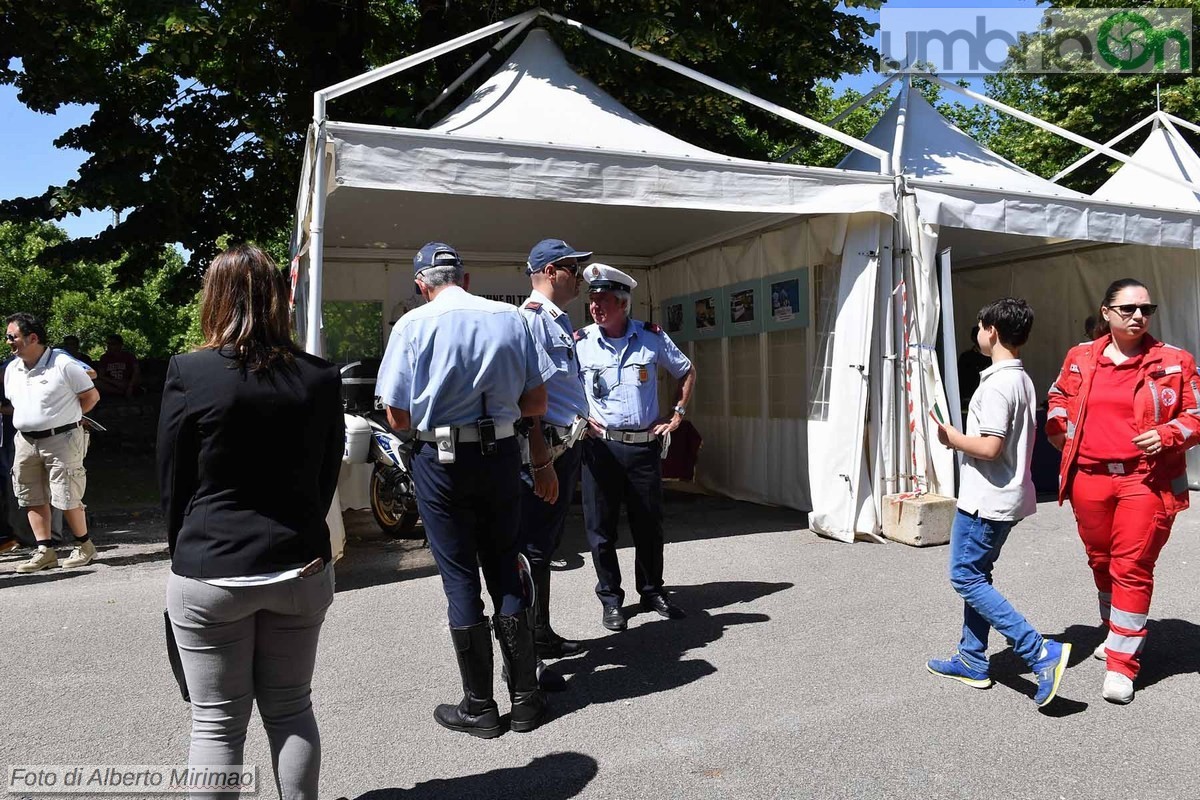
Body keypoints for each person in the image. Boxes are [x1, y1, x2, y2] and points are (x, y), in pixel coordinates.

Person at [158, 244, 344, 799]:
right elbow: (325, 473)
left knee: (216, 725)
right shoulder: (318, 376)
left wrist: (184, 553)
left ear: (214, 299)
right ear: (280, 300)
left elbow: (173, 480)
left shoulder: (190, 371)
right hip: (300, 565)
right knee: (291, 710)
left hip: (211, 566)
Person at [377, 242, 556, 738]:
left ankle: (480, 706)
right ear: (467, 278)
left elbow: (396, 415)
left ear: (421, 284)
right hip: (499, 455)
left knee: (459, 575)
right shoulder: (510, 317)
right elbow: (537, 399)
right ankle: (524, 699)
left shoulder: (412, 325)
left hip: (442, 460)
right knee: (505, 563)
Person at [1045, 278, 1200, 704]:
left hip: (1144, 480)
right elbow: (1058, 394)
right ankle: (1118, 631)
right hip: (1089, 478)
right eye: (1129, 308)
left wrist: (1168, 433)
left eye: (1146, 309)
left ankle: (1121, 663)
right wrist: (1057, 424)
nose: (1138, 316)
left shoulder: (1174, 361)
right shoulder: (1081, 356)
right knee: (1102, 560)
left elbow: (1196, 415)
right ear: (1107, 312)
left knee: (1131, 566)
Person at [925, 298, 1070, 708]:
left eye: (978, 326)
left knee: (965, 578)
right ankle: (972, 659)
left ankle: (1039, 650)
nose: (977, 333)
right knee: (977, 576)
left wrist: (951, 438)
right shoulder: (1019, 378)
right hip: (1004, 496)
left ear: (990, 330)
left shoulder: (998, 384)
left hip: (986, 499)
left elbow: (989, 447)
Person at [575, 264, 697, 632]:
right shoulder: (580, 341)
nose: (596, 307)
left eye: (604, 300)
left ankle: (651, 590)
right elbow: (556, 386)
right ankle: (611, 600)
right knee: (601, 530)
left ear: (624, 304)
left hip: (643, 447)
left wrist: (677, 414)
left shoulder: (651, 337)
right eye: (592, 300)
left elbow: (687, 370)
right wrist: (577, 418)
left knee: (648, 525)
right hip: (600, 448)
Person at [518, 238, 593, 663]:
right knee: (533, 548)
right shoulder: (532, 320)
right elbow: (528, 396)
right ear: (550, 272)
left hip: (566, 444)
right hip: (545, 448)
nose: (580, 277)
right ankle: (529, 645)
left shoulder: (557, 320)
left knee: (545, 546)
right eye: (573, 268)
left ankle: (540, 632)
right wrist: (541, 459)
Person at [4, 313, 99, 573]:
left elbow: (91, 396)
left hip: (61, 438)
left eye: (12, 337)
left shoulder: (63, 363)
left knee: (67, 495)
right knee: (30, 495)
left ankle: (84, 546)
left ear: (32, 338)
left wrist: (71, 418)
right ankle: (45, 550)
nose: (8, 342)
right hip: (25, 440)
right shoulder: (12, 368)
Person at [956, 325, 992, 410]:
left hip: (987, 400)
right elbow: (961, 380)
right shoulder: (966, 357)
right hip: (969, 401)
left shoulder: (991, 357)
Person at [94, 333, 140, 397]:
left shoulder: (129, 356)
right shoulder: (104, 358)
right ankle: (122, 393)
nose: (109, 346)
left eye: (112, 344)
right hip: (111, 384)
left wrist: (130, 386)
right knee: (96, 383)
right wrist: (114, 382)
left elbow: (136, 371)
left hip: (126, 382)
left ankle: (129, 390)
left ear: (120, 345)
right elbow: (101, 375)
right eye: (108, 344)